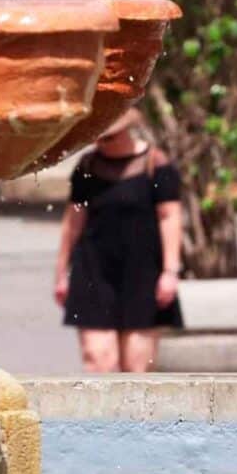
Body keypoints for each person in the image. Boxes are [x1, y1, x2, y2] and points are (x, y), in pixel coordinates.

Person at [54, 108, 183, 372]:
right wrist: (61, 272)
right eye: (99, 138)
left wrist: (170, 271)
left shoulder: (155, 164)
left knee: (137, 367)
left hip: (142, 271)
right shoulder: (88, 167)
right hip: (93, 269)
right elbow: (73, 220)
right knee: (98, 358)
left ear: (126, 131)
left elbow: (169, 217)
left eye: (109, 137)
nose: (102, 144)